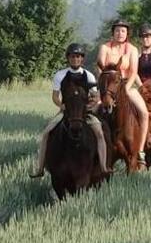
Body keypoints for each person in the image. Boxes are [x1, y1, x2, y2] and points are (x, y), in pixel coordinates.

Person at [30, 43, 112, 178]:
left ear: (82, 59)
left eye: (78, 57)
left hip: (84, 113)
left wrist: (91, 105)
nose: (75, 59)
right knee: (46, 133)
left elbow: (96, 95)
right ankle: (40, 168)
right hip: (66, 111)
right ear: (68, 58)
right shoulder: (60, 75)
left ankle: (103, 166)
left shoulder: (89, 76)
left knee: (100, 133)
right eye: (73, 56)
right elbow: (55, 96)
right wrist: (61, 105)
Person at [96, 19, 150, 167]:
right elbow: (100, 68)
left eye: (123, 31)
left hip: (126, 85)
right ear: (113, 32)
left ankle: (140, 152)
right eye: (117, 31)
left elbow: (133, 72)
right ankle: (96, 148)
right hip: (107, 86)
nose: (120, 34)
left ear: (127, 33)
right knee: (94, 111)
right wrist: (104, 89)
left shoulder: (132, 49)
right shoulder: (105, 48)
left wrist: (126, 89)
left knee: (144, 113)